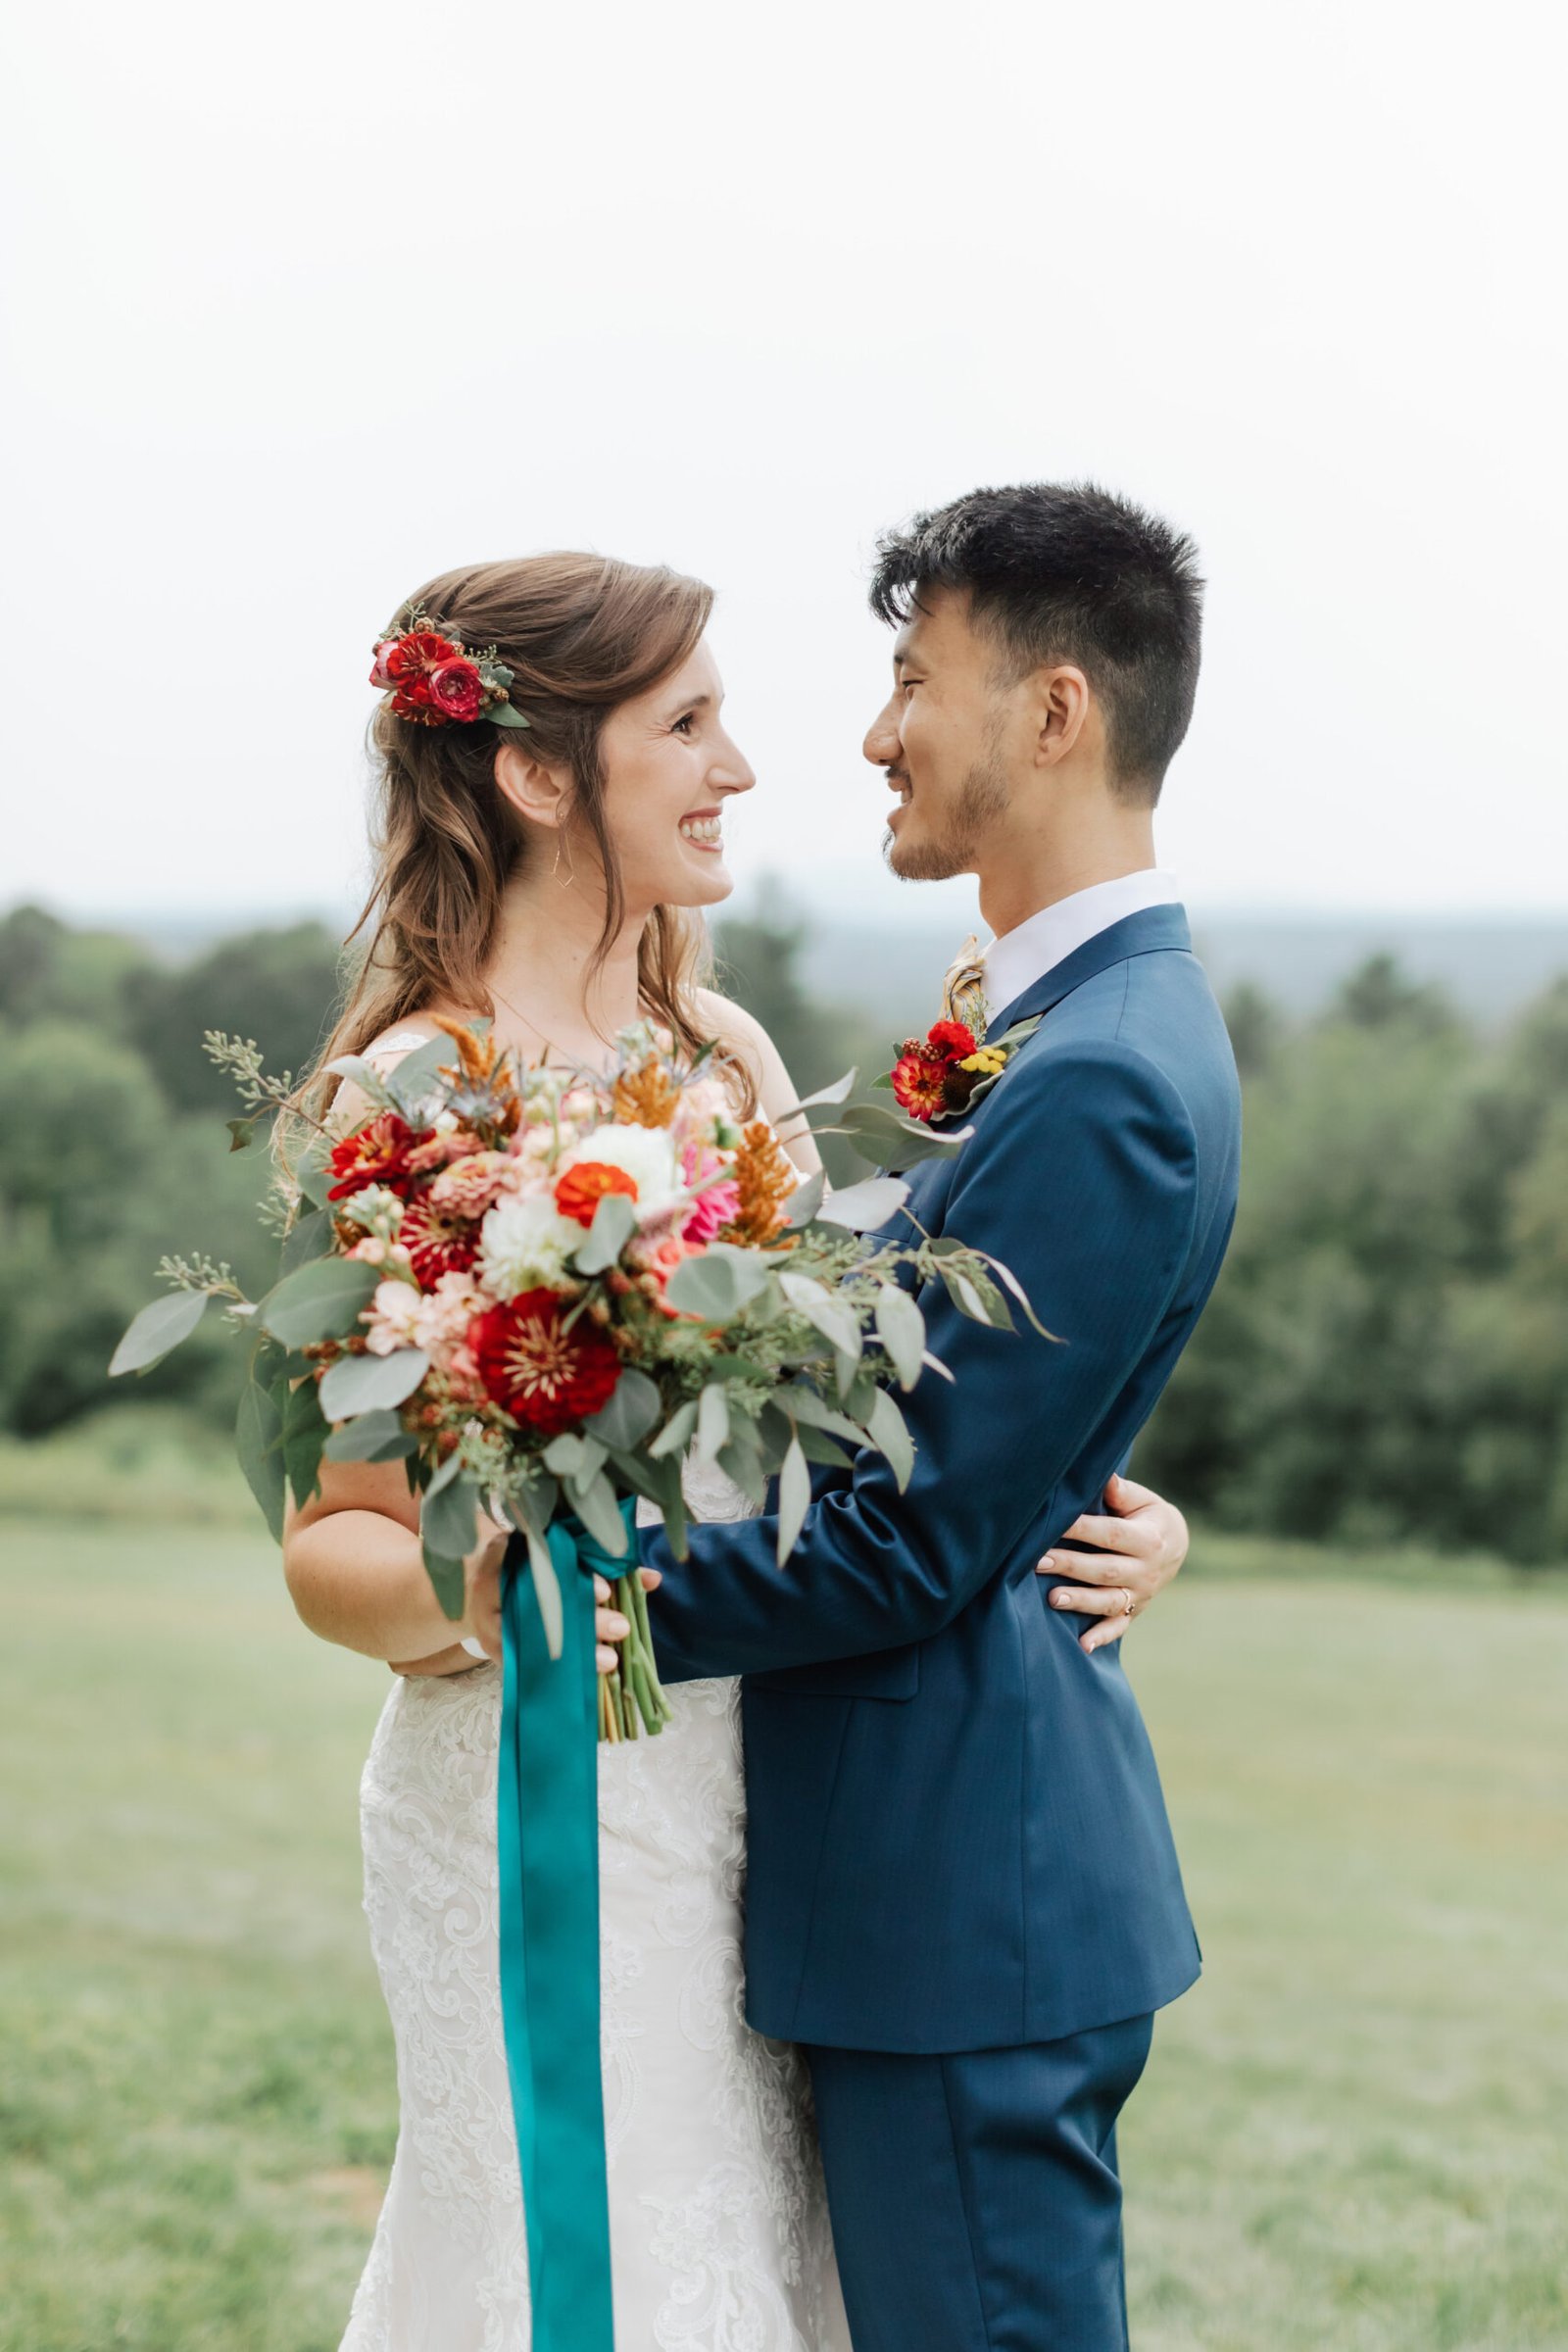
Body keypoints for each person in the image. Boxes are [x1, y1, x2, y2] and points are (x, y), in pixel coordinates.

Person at [283, 546, 1195, 2350]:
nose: (745, 768)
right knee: (580, 2258)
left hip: (763, 1786)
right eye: (688, 725)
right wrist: (496, 1602)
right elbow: (334, 1549)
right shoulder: (407, 1101)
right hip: (533, 1779)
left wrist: (1101, 1510)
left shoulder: (725, 1060)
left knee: (769, 2271)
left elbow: (876, 1440)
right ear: (543, 775)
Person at [619, 484, 1243, 2352]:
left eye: (913, 679)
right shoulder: (1053, 1035)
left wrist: (590, 1591)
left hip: (968, 1898)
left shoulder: (1106, 1079)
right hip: (921, 1880)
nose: (876, 731)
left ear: (1053, 713)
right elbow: (987, 1427)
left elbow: (914, 1532)